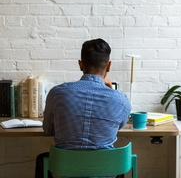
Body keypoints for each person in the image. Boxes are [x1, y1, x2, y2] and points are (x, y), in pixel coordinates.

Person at [35, 38, 131, 178]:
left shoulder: (57, 93)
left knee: (42, 159)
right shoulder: (122, 100)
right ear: (109, 66)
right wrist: (111, 89)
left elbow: (48, 130)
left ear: (80, 65)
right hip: (106, 170)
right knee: (118, 162)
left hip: (64, 170)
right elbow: (117, 127)